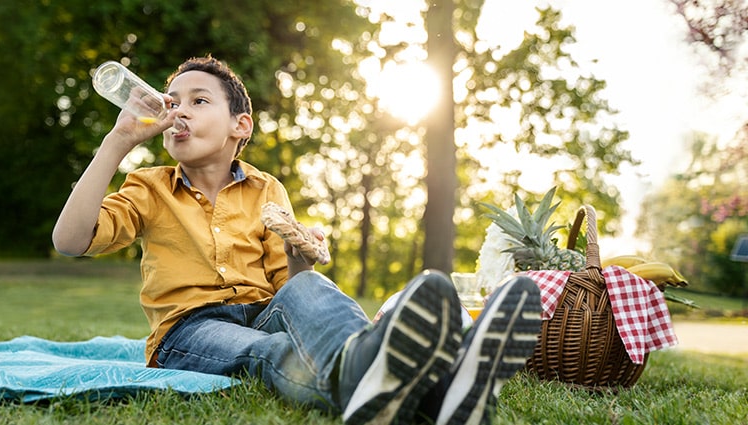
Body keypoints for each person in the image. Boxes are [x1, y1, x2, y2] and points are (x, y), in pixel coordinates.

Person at [52, 55, 542, 425]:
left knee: (310, 290)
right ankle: (434, 387)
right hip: (189, 331)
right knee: (267, 353)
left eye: (198, 101)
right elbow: (71, 241)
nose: (178, 111)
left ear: (239, 126)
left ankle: (407, 379)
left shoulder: (266, 189)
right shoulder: (149, 187)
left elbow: (288, 288)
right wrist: (118, 141)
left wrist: (298, 261)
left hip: (264, 312)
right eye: (171, 101)